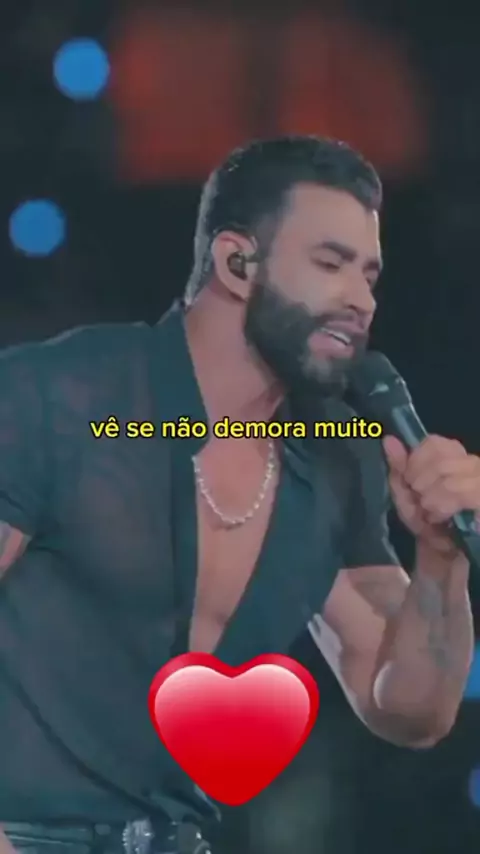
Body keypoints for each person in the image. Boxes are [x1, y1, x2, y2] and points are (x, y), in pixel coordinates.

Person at [0, 135, 478, 854]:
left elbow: (409, 709)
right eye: (330, 264)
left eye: (370, 275)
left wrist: (441, 559)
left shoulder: (338, 457)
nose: (361, 300)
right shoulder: (61, 396)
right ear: (236, 264)